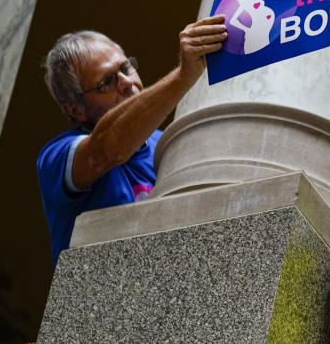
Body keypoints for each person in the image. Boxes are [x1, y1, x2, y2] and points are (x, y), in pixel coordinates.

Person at [37, 16, 227, 264]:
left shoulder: (169, 143)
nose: (127, 83)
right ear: (76, 110)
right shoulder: (57, 156)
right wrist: (183, 76)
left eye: (126, 69)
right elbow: (106, 149)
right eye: (107, 82)